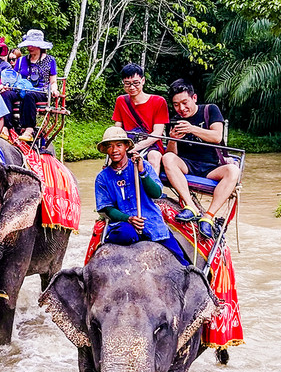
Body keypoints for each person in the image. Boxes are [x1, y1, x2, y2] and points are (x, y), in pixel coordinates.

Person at [94, 126, 188, 263]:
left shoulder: (143, 165)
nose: (114, 150)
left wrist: (142, 172)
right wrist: (128, 219)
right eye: (109, 146)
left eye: (119, 145)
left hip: (150, 220)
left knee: (180, 259)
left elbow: (156, 193)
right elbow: (106, 208)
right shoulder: (102, 177)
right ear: (105, 150)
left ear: (126, 146)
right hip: (125, 224)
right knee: (122, 235)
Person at [162, 78, 240, 240]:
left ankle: (209, 216)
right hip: (187, 164)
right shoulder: (174, 119)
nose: (181, 108)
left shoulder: (210, 110)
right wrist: (172, 139)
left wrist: (191, 128)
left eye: (184, 102)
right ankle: (190, 205)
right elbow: (171, 153)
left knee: (233, 170)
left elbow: (217, 136)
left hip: (212, 166)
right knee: (168, 158)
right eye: (176, 105)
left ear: (194, 98)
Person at [111, 62, 168, 174]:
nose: (132, 87)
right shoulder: (121, 101)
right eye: (127, 84)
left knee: (154, 157)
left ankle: (153, 190)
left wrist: (137, 147)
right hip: (128, 142)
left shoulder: (159, 102)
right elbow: (118, 129)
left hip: (151, 145)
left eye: (136, 83)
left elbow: (157, 133)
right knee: (113, 160)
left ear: (143, 81)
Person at [12, 29, 58, 142]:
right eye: (29, 44)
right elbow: (14, 77)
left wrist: (54, 90)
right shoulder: (21, 60)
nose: (30, 47)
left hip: (41, 91)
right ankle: (5, 127)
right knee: (7, 94)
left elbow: (53, 81)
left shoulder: (50, 60)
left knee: (29, 95)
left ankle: (29, 129)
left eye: (33, 44)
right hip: (22, 89)